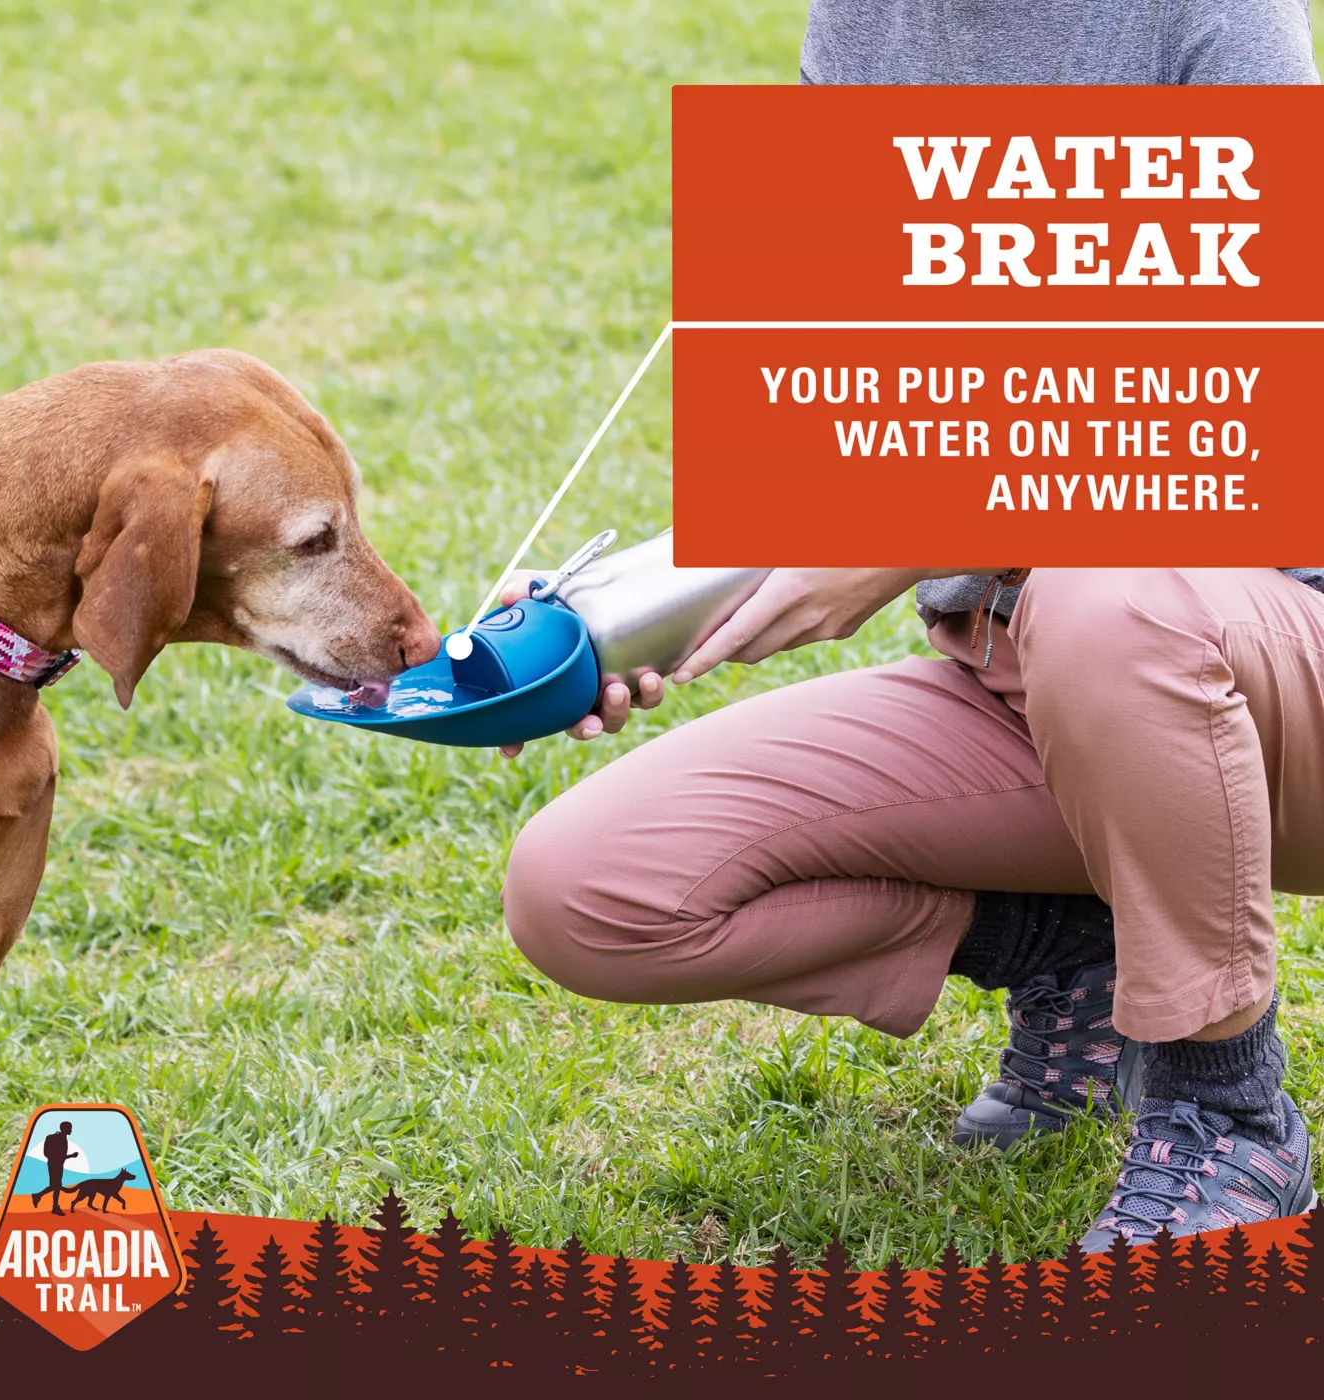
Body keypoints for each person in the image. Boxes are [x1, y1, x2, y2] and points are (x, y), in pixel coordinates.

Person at [500, 1, 1324, 1247]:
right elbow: (859, 397)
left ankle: (1226, 1105)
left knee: (1107, 594)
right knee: (588, 888)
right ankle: (1073, 952)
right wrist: (607, 620)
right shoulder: (865, 21)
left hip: (1262, 664)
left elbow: (1267, 400)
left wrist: (904, 535)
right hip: (1030, 683)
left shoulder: (1205, 14)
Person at [31, 1120, 77, 1217]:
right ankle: (52, 1205)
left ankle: (41, 1198)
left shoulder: (55, 1138)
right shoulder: (60, 1139)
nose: (71, 1130)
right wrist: (71, 1156)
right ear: (65, 1129)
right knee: (56, 1186)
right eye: (69, 1128)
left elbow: (48, 1153)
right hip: (55, 1164)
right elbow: (58, 1155)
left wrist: (57, 1158)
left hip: (56, 1164)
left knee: (55, 1186)